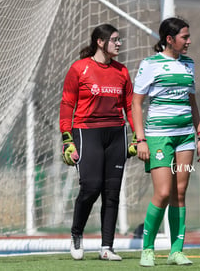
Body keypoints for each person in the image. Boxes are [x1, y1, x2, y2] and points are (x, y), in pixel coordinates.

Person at [132, 17, 200, 267]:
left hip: (185, 137)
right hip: (158, 138)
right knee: (163, 192)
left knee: (180, 193)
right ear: (169, 39)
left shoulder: (189, 64)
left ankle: (176, 251)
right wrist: (140, 139)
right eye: (184, 37)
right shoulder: (150, 65)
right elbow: (136, 103)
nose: (188, 41)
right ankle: (148, 249)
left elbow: (192, 101)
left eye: (188, 36)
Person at [59, 23, 134, 261]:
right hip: (86, 131)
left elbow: (130, 107)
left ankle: (107, 247)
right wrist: (66, 139)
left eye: (119, 39)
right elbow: (67, 105)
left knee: (111, 192)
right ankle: (76, 234)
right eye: (114, 39)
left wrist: (138, 137)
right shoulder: (79, 69)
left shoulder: (122, 71)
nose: (119, 43)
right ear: (100, 42)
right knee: (91, 187)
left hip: (116, 134)